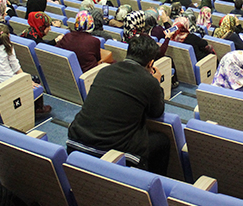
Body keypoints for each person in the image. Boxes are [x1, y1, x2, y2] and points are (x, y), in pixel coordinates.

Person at [67, 35, 168, 174]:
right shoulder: (149, 82)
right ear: (151, 63)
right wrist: (157, 83)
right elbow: (157, 112)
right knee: (162, 141)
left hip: (75, 142)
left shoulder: (104, 71)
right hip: (109, 151)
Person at [0, 23, 50, 114]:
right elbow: (17, 69)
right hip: (9, 83)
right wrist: (27, 80)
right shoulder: (8, 48)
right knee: (35, 79)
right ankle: (38, 109)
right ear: (8, 36)